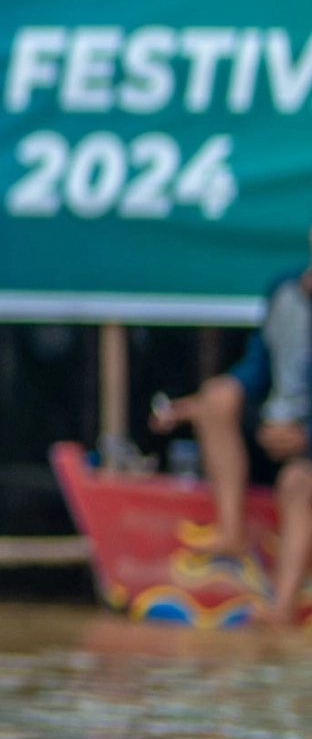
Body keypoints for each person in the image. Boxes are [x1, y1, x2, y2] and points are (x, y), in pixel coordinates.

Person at [149, 230, 312, 628]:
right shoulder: (283, 291)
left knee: (298, 482)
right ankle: (231, 530)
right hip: (276, 419)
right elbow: (257, 366)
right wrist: (196, 406)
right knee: (218, 396)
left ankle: (281, 608)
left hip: (305, 440)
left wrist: (306, 436)